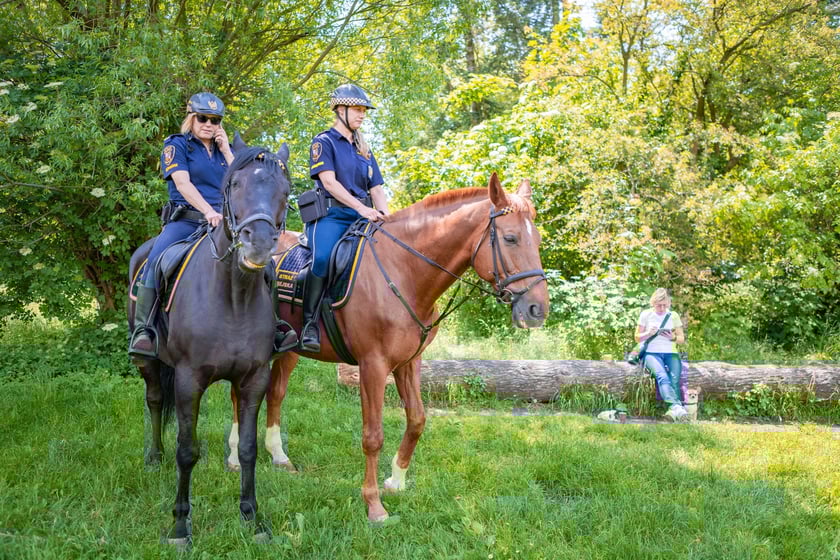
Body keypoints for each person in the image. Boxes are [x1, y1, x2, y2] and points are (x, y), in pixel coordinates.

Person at [128, 92, 234, 360]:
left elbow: (240, 181)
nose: (209, 124)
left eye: (215, 120)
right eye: (203, 118)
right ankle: (144, 331)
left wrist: (228, 151)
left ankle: (273, 328)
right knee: (154, 262)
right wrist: (208, 210)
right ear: (191, 118)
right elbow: (183, 184)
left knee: (260, 262)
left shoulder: (225, 152)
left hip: (224, 225)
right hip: (186, 221)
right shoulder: (176, 146)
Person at [300, 84, 390, 352]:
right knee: (323, 258)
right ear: (341, 110)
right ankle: (308, 324)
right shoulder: (323, 142)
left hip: (363, 218)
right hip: (332, 216)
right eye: (358, 110)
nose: (362, 115)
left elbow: (376, 188)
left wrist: (386, 215)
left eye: (364, 111)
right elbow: (329, 183)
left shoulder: (364, 148)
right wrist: (362, 209)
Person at [636, 288, 687, 421]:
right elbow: (637, 337)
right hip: (651, 353)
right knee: (662, 375)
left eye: (665, 305)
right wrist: (648, 333)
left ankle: (672, 411)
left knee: (675, 379)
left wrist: (673, 338)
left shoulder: (673, 315)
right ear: (653, 303)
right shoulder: (646, 314)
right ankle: (677, 407)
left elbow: (681, 338)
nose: (662, 308)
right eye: (659, 305)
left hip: (670, 352)